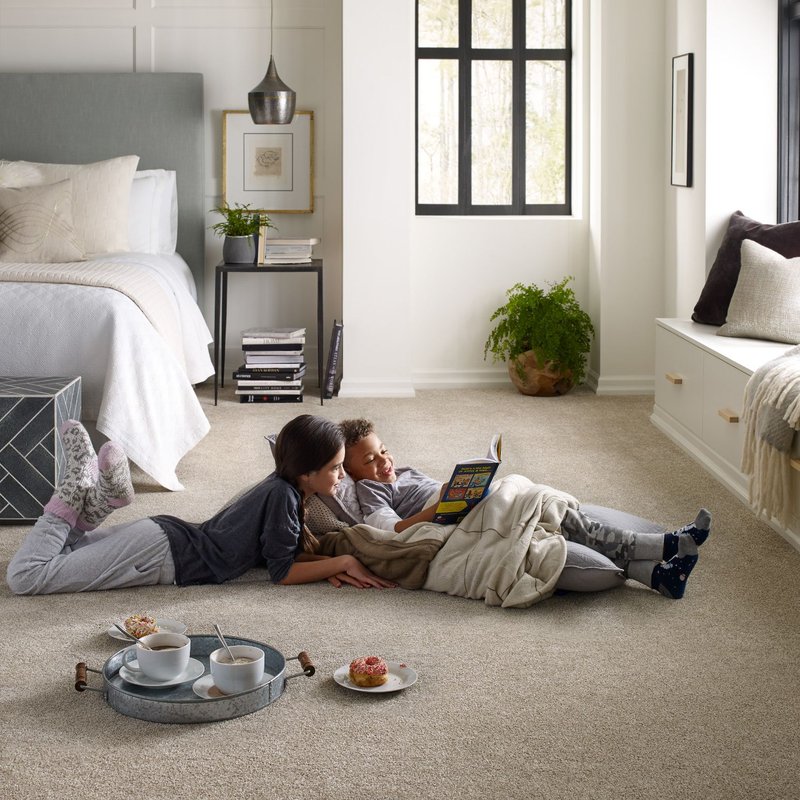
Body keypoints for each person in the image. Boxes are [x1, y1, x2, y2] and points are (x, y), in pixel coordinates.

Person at [6, 415, 396, 595]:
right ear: (307, 473)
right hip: (161, 554)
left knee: (67, 550)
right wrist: (344, 562)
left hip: (161, 539)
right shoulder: (283, 496)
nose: (342, 476)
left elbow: (282, 556)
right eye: (335, 468)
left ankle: (101, 499)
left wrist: (326, 566)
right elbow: (283, 573)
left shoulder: (285, 488)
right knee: (28, 577)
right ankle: (75, 490)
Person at [339, 418, 711, 600]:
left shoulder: (401, 472)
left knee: (542, 506)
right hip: (451, 516)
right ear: (351, 472)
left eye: (384, 450)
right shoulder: (369, 490)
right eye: (370, 460)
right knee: (538, 508)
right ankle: (663, 545)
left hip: (464, 503)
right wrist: (440, 505)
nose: (383, 463)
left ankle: (660, 577)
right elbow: (393, 530)